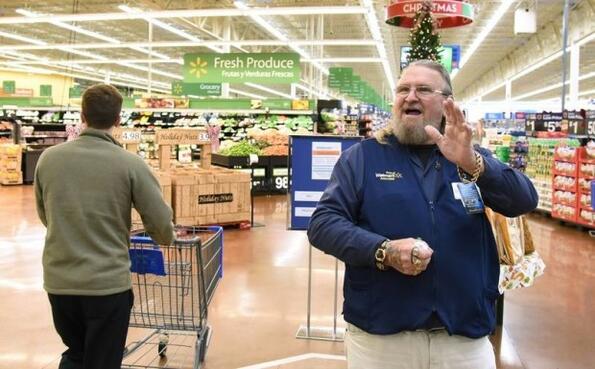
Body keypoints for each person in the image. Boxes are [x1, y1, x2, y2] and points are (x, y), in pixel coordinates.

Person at [307, 60, 538, 369]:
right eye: (403, 89)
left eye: (424, 89)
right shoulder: (362, 157)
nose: (410, 96)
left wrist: (472, 163)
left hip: (463, 336)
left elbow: (523, 199)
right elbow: (323, 224)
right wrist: (383, 250)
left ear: (447, 103)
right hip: (381, 337)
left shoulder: (469, 154)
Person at [34, 84, 175, 369]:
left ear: (82, 116)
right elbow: (161, 226)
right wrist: (164, 236)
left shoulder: (49, 159)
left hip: (60, 284)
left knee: (76, 352)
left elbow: (44, 215)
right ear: (118, 119)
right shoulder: (130, 164)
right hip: (107, 287)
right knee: (102, 361)